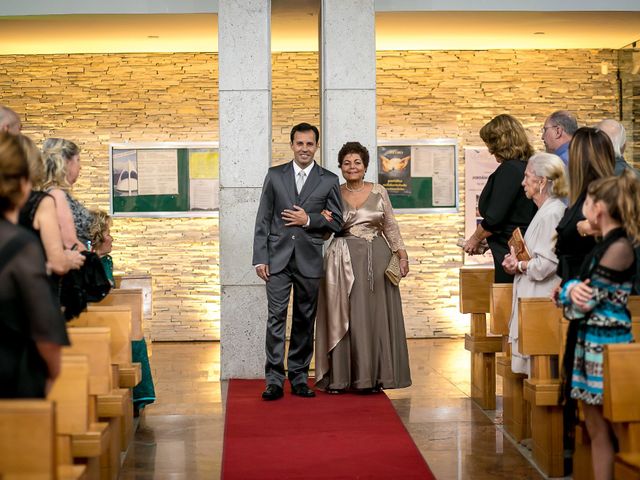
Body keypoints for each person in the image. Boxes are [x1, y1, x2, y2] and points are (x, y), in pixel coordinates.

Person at [557, 170, 639, 480]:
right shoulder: (601, 245)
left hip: (610, 351)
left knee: (621, 425)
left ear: (600, 208)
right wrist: (568, 290)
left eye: (588, 201)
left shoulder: (620, 247)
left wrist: (567, 291)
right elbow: (573, 293)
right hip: (588, 346)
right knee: (595, 427)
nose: (583, 207)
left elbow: (582, 301)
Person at [253, 122, 343, 400]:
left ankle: (300, 376)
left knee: (305, 319)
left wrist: (309, 220)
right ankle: (274, 380)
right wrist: (259, 258)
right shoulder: (275, 176)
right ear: (292, 145)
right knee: (275, 319)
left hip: (309, 259)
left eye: (310, 144)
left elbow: (338, 221)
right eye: (299, 143)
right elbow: (263, 218)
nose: (304, 148)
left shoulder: (328, 180)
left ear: (316, 146)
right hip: (277, 260)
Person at [314, 141, 411, 393]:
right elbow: (326, 233)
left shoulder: (379, 191)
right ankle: (340, 378)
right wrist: (320, 222)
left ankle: (372, 378)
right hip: (340, 261)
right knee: (343, 314)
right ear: (341, 167)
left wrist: (402, 255)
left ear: (365, 166)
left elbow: (390, 225)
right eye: (347, 163)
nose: (352, 166)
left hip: (376, 261)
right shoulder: (333, 192)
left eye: (357, 162)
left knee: (373, 317)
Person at [0, 132, 69, 398]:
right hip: (10, 375)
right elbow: (46, 331)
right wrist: (52, 371)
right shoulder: (21, 246)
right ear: (23, 183)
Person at [501, 153, 568, 375]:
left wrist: (518, 266)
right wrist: (516, 258)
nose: (523, 182)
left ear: (542, 181)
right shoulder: (544, 211)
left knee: (540, 372)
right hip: (532, 298)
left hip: (541, 301)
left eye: (527, 176)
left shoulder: (552, 213)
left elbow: (545, 266)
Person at [90, 209, 156, 414]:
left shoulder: (106, 261)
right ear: (97, 236)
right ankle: (138, 397)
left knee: (135, 338)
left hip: (107, 315)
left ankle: (139, 397)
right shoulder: (85, 262)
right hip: (93, 318)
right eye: (108, 232)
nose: (111, 237)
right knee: (133, 339)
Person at [464, 114, 537, 283]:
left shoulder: (509, 170)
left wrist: (474, 239)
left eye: (490, 144)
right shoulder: (527, 166)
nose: (489, 150)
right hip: (520, 246)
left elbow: (495, 217)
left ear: (499, 143)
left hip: (511, 253)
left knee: (509, 301)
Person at [17, 134, 84, 277]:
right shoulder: (53, 196)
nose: (80, 167)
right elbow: (67, 245)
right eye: (78, 160)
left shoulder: (38, 196)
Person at [41, 138, 93, 250]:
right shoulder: (56, 194)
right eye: (78, 160)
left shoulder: (55, 193)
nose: (80, 167)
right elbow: (69, 242)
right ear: (66, 162)